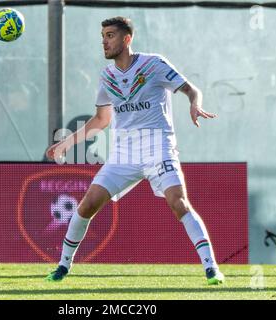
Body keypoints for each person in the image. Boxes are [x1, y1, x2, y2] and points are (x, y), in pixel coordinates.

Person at [45, 16, 224, 285]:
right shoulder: (107, 76)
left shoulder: (153, 64)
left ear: (127, 39)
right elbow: (101, 120)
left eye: (110, 36)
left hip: (158, 146)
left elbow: (191, 89)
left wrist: (194, 103)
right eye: (103, 36)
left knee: (179, 203)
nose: (104, 42)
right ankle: (63, 266)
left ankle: (211, 268)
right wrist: (65, 143)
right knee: (87, 206)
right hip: (124, 152)